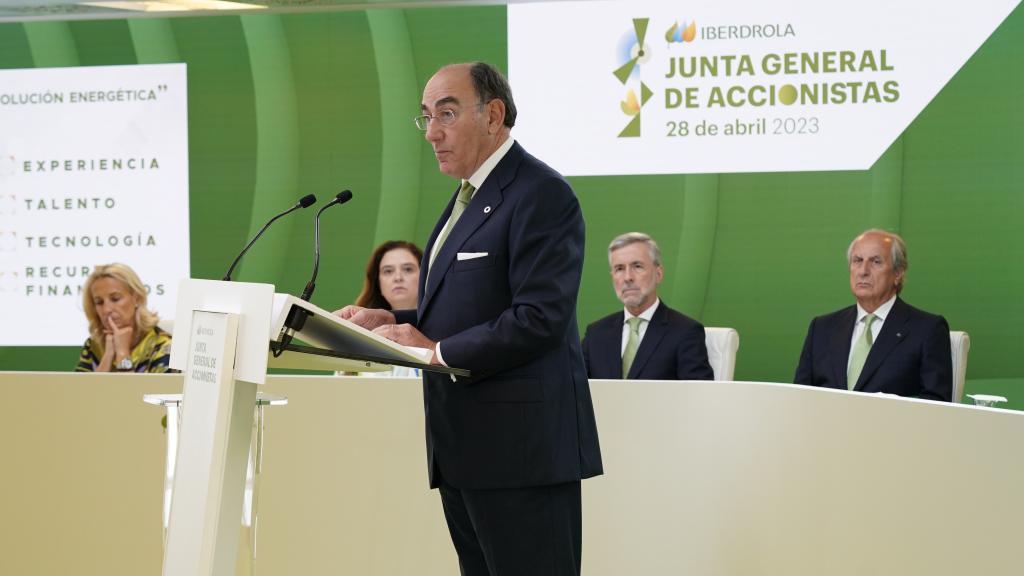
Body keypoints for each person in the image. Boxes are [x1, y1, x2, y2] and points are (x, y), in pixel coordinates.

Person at [335, 62, 602, 576]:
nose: (432, 132)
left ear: (494, 115)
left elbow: (537, 318)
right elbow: (465, 307)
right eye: (426, 117)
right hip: (466, 450)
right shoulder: (468, 196)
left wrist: (435, 352)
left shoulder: (540, 193)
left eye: (447, 114)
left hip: (521, 455)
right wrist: (387, 316)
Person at [794, 229, 952, 401]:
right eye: (857, 261)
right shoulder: (822, 328)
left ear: (898, 273)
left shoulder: (927, 329)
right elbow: (800, 397)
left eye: (876, 262)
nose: (863, 271)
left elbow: (935, 404)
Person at [582, 232, 714, 380]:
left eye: (637, 266)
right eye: (619, 269)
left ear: (659, 274)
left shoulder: (685, 332)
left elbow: (699, 397)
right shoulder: (596, 334)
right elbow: (574, 392)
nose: (627, 277)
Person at [75, 263, 173, 373]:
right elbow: (84, 390)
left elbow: (129, 390)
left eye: (115, 299)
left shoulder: (164, 346)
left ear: (137, 299)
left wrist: (122, 353)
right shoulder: (93, 346)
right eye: (99, 302)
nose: (106, 309)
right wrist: (108, 355)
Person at [352, 240, 423, 377]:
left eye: (408, 269)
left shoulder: (441, 334)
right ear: (378, 283)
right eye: (388, 271)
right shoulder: (355, 336)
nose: (398, 277)